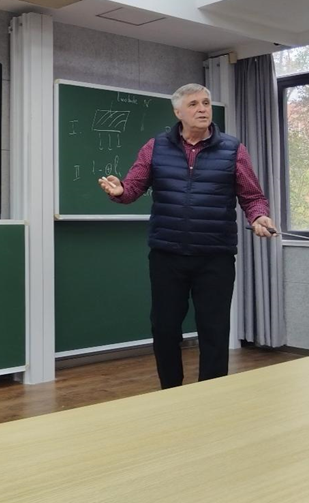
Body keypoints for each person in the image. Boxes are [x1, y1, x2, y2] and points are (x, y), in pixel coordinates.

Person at [98, 83, 277, 389]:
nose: (202, 109)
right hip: (167, 256)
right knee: (164, 329)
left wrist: (259, 216)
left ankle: (210, 395)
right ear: (178, 112)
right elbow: (133, 187)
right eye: (193, 104)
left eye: (206, 103)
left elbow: (252, 196)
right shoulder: (155, 147)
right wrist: (120, 191)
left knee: (214, 331)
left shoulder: (233, 149)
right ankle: (171, 392)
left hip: (215, 256)